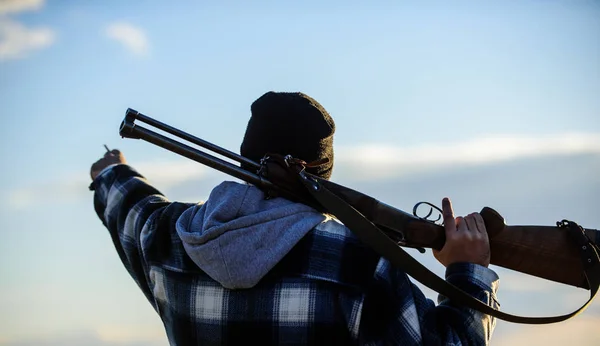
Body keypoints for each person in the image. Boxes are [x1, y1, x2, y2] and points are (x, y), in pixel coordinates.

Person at [89, 92, 499, 345]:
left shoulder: (167, 236)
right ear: (321, 172)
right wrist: (467, 273)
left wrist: (111, 171)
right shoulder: (359, 262)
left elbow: (131, 206)